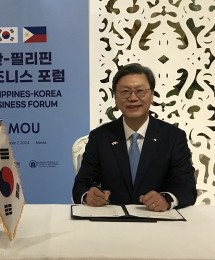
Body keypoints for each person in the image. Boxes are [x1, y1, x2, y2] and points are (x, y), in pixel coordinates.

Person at [72, 63, 196, 211]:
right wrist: (88, 196)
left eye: (140, 91)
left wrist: (166, 199)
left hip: (159, 222)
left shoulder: (173, 137)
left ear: (152, 96)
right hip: (111, 222)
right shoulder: (100, 137)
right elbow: (81, 185)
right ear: (115, 97)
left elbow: (187, 187)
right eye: (125, 91)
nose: (132, 98)